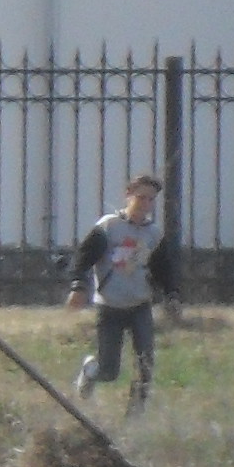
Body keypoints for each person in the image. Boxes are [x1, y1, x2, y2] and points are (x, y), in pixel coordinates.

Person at [69, 173, 168, 412]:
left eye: (150, 200)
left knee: (145, 364)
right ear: (128, 195)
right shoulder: (108, 227)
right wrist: (78, 286)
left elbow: (164, 267)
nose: (144, 205)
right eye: (140, 197)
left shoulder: (153, 234)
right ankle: (91, 371)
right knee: (109, 370)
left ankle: (135, 413)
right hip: (110, 305)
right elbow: (82, 259)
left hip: (139, 305)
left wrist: (171, 294)